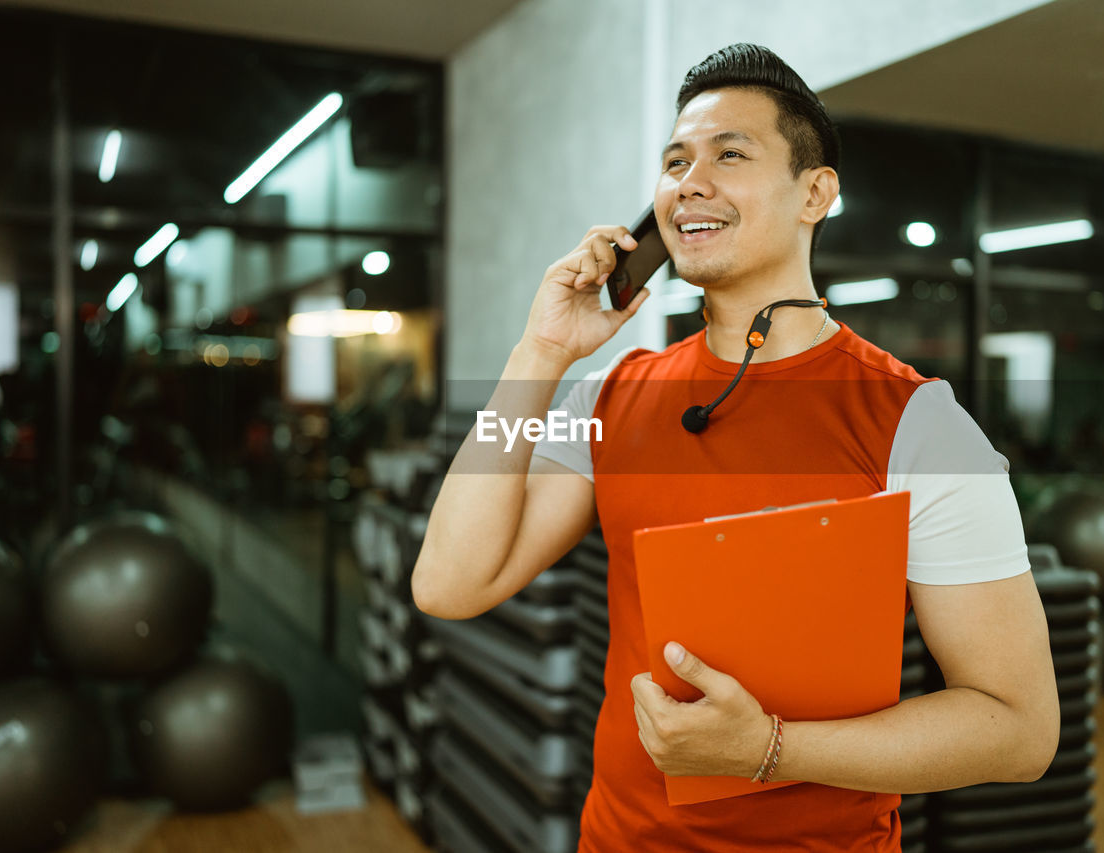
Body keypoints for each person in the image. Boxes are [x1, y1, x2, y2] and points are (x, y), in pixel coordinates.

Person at [414, 43, 1059, 853]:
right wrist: (538, 353)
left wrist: (768, 750)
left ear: (814, 193)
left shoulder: (918, 423)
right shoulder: (612, 395)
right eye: (676, 161)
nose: (691, 181)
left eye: (730, 154)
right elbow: (448, 581)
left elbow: (1019, 727)